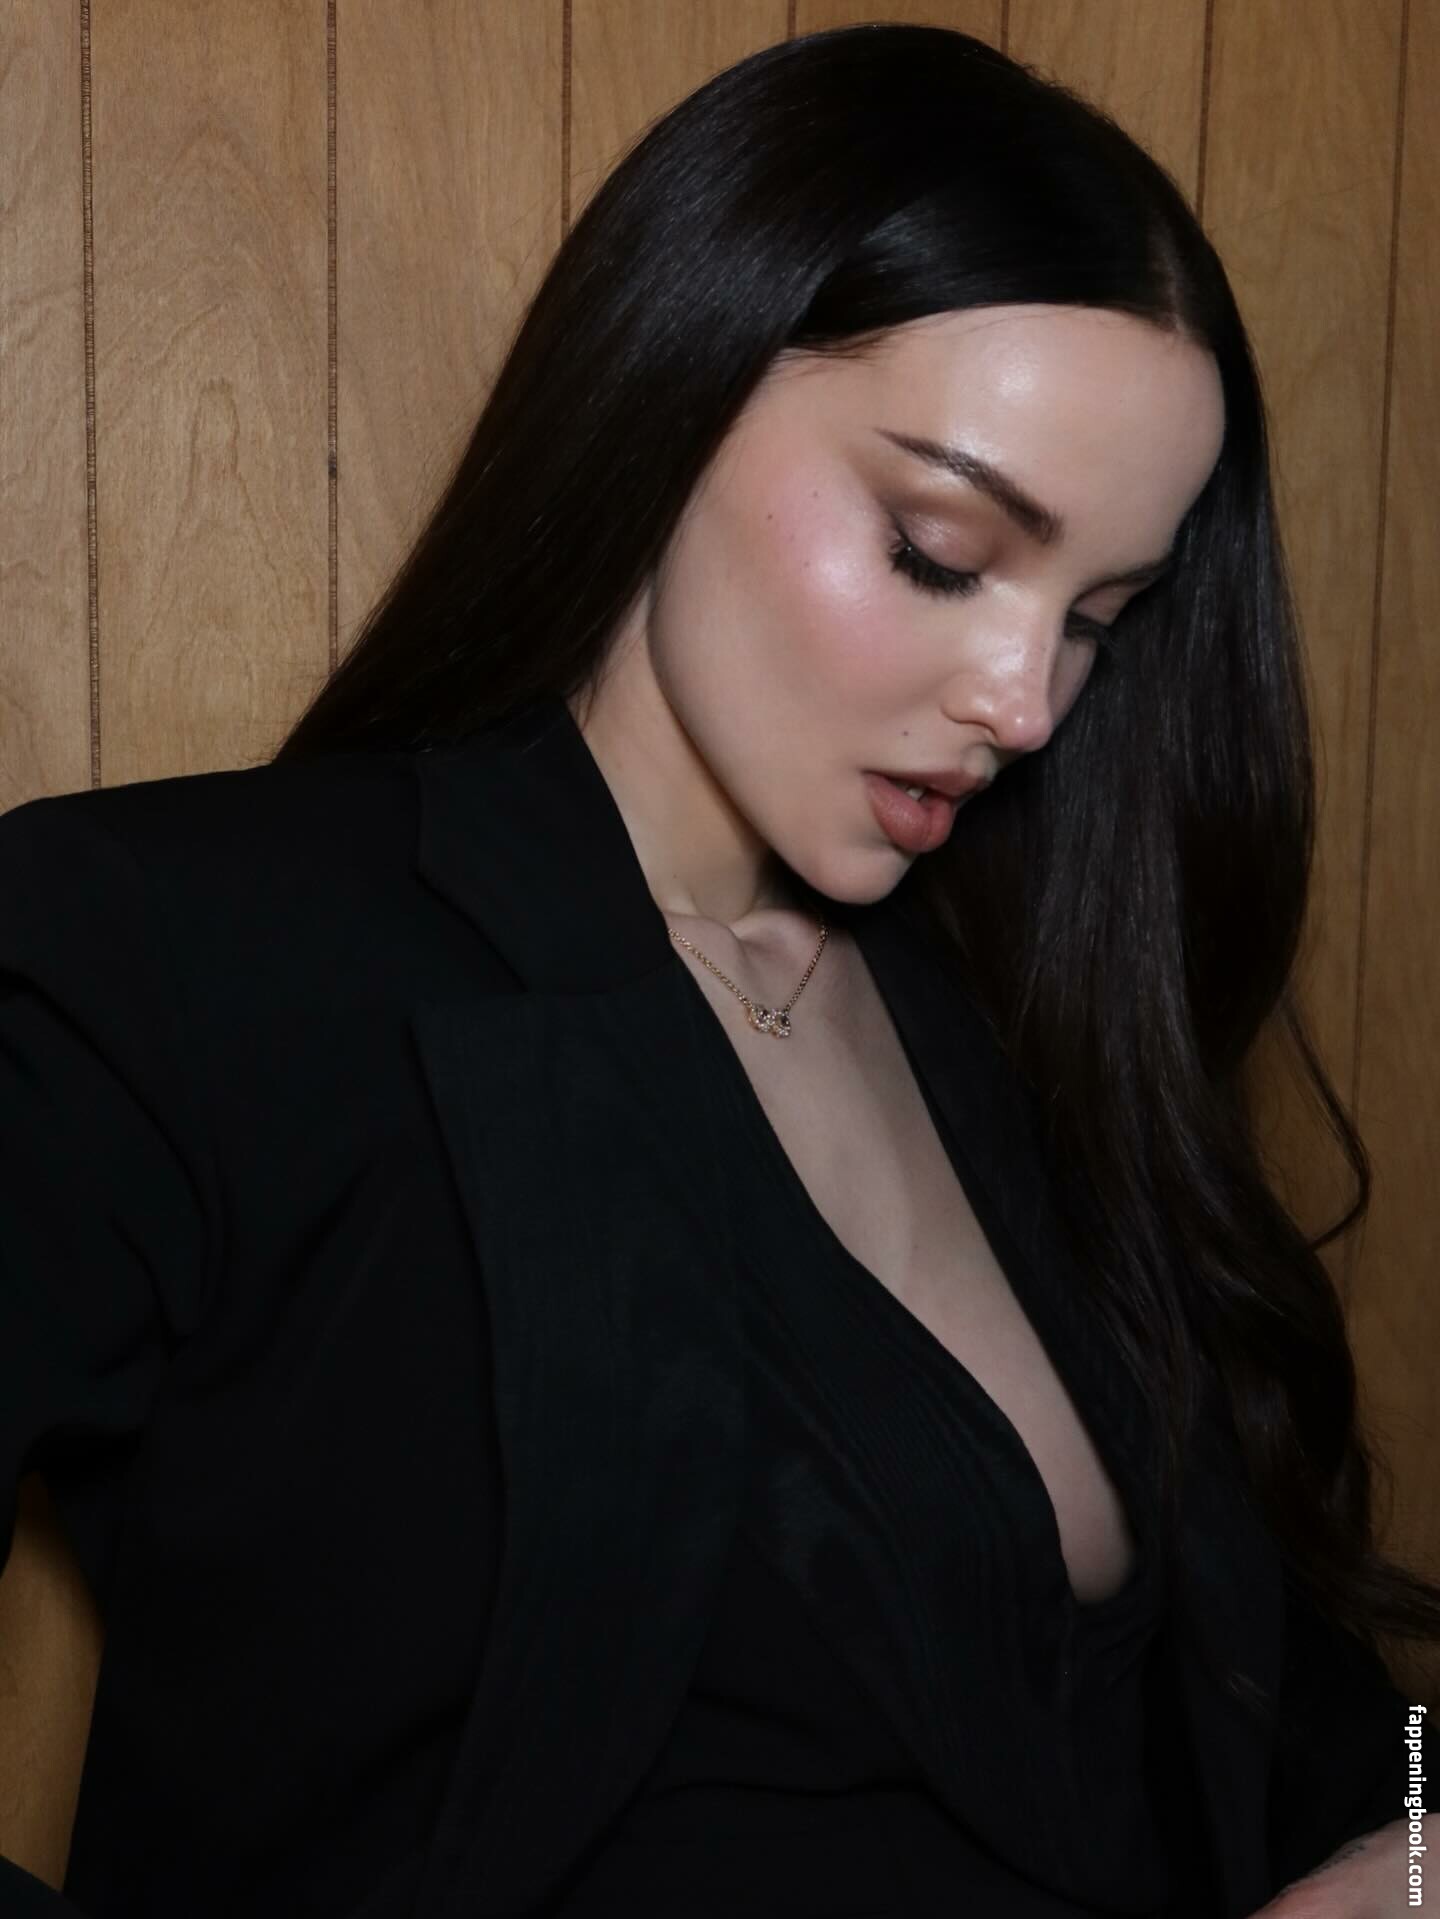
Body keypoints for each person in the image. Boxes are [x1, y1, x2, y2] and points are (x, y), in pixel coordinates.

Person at [1, 20, 1435, 1918]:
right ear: (670, 394)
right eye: (939, 550)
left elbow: (1341, 1727)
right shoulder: (172, 951)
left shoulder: (1027, 1036)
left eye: (1100, 616)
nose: (1025, 703)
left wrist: (1426, 1840)